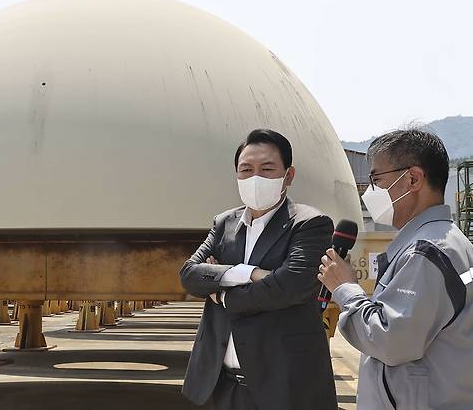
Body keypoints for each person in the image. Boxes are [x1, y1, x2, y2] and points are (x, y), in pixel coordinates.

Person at [180, 129, 338, 410]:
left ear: (288, 176)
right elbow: (190, 275)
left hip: (284, 386)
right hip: (220, 384)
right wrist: (249, 274)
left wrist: (223, 294)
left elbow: (288, 287)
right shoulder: (224, 223)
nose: (254, 178)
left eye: (267, 169)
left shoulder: (310, 224)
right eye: (246, 170)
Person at [319, 129, 473, 410]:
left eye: (377, 180)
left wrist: (345, 289)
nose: (370, 191)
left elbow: (390, 341)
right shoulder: (444, 241)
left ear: (413, 179)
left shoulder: (426, 253)